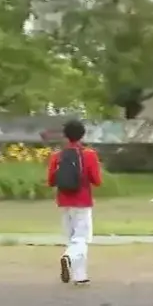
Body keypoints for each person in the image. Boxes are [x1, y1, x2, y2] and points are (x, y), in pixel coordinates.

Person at [47, 119, 102, 286]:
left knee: (73, 238)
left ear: (65, 135)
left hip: (64, 201)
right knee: (81, 239)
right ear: (82, 135)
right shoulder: (89, 154)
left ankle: (80, 276)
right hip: (83, 201)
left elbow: (51, 181)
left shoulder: (57, 156)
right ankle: (68, 257)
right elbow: (97, 181)